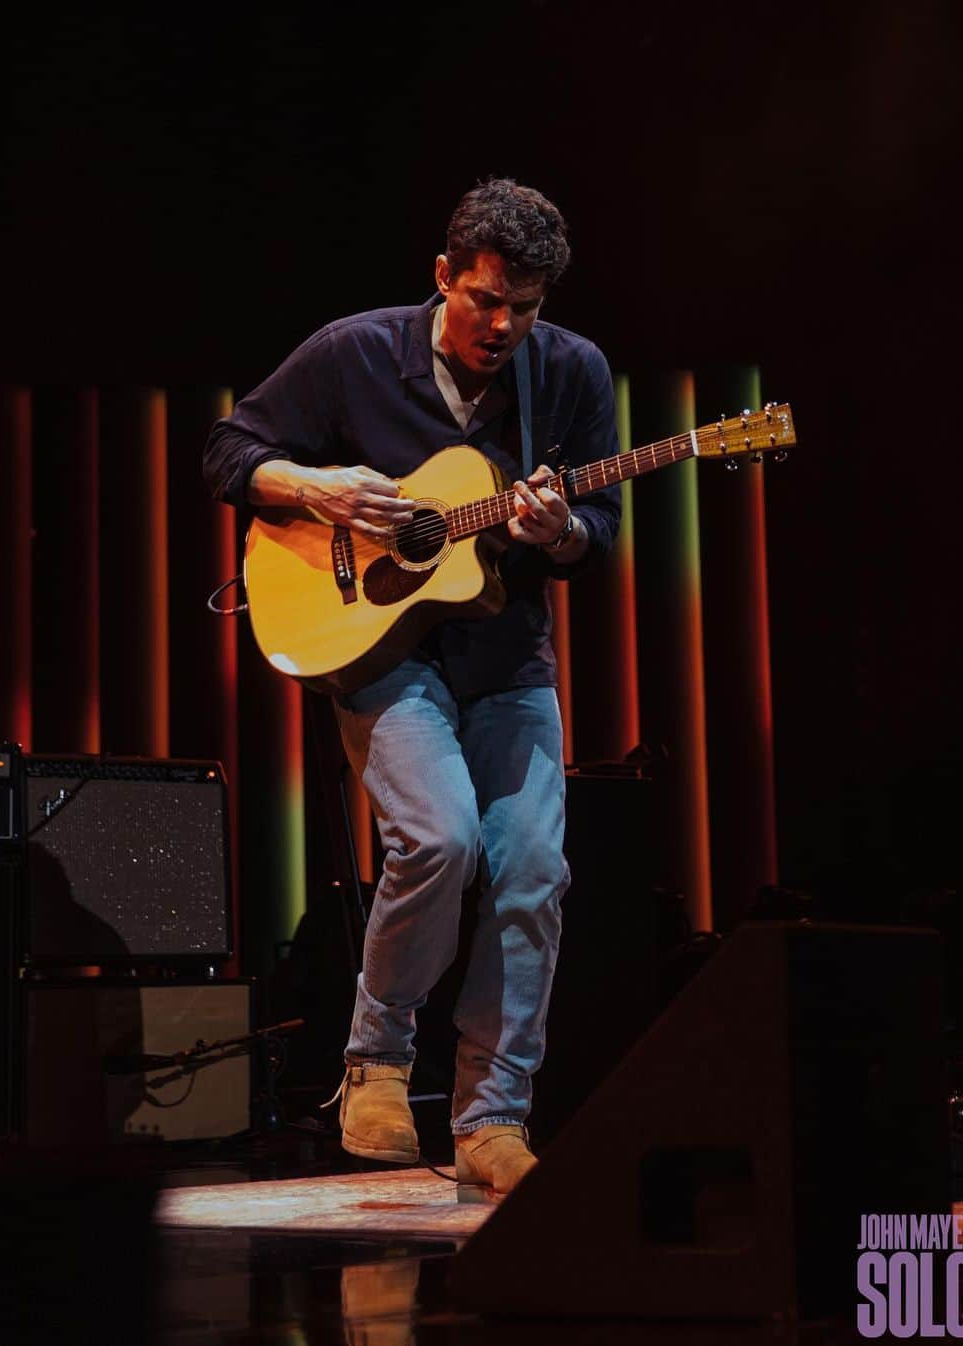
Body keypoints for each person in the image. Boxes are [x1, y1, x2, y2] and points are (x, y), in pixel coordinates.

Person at [204, 178, 621, 1197]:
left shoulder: (569, 374)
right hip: (383, 653)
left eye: (525, 307)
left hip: (507, 657)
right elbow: (228, 449)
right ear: (444, 277)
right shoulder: (355, 352)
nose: (503, 325)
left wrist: (559, 530)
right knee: (438, 838)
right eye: (485, 299)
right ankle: (377, 1062)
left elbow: (595, 534)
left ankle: (495, 1117)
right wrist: (313, 485)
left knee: (531, 870)